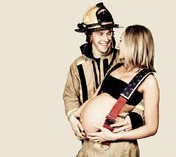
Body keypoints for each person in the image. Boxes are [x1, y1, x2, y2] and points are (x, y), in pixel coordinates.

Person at [63, 3, 144, 142]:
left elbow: (144, 92)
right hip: (89, 143)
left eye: (109, 33)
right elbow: (70, 95)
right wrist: (72, 117)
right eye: (100, 33)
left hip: (122, 140)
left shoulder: (127, 60)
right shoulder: (77, 66)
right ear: (89, 36)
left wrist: (135, 118)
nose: (106, 39)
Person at [75, 24, 160, 157]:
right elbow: (96, 95)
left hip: (115, 146)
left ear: (133, 45)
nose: (118, 46)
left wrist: (114, 137)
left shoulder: (149, 81)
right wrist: (76, 116)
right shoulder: (116, 67)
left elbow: (151, 127)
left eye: (121, 41)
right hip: (90, 145)